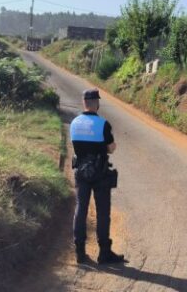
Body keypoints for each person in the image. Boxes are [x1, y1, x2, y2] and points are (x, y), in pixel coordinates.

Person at [70, 88, 125, 265]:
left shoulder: (74, 123)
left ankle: (80, 252)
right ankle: (104, 253)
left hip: (81, 171)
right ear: (96, 103)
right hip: (100, 173)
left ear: (84, 102)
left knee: (81, 209)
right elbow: (111, 148)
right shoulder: (103, 124)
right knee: (102, 212)